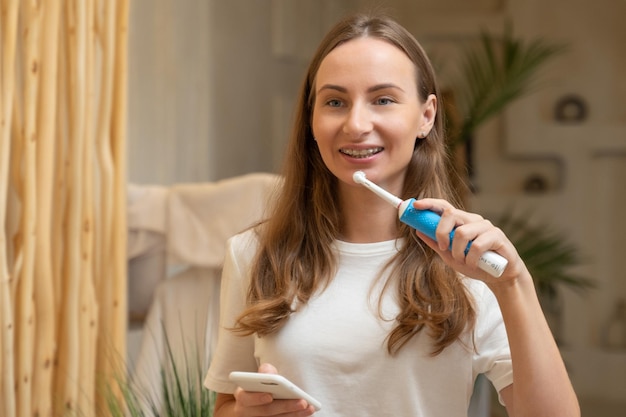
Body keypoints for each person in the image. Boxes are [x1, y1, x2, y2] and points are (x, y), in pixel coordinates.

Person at [203, 12, 580, 417]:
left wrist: (513, 283)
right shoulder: (252, 253)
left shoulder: (473, 266)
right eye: (334, 102)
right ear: (311, 120)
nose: (356, 123)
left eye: (383, 99)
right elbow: (227, 404)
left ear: (427, 116)